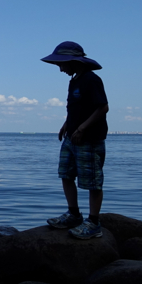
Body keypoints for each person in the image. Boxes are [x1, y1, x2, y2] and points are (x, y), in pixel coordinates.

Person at [41, 41, 109, 240]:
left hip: (89, 139)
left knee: (93, 182)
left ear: (73, 61)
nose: (60, 68)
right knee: (66, 174)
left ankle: (94, 223)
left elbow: (103, 108)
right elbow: (76, 109)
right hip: (72, 137)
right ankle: (73, 214)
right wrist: (66, 125)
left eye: (61, 64)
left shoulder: (91, 80)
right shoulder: (75, 81)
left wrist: (82, 128)